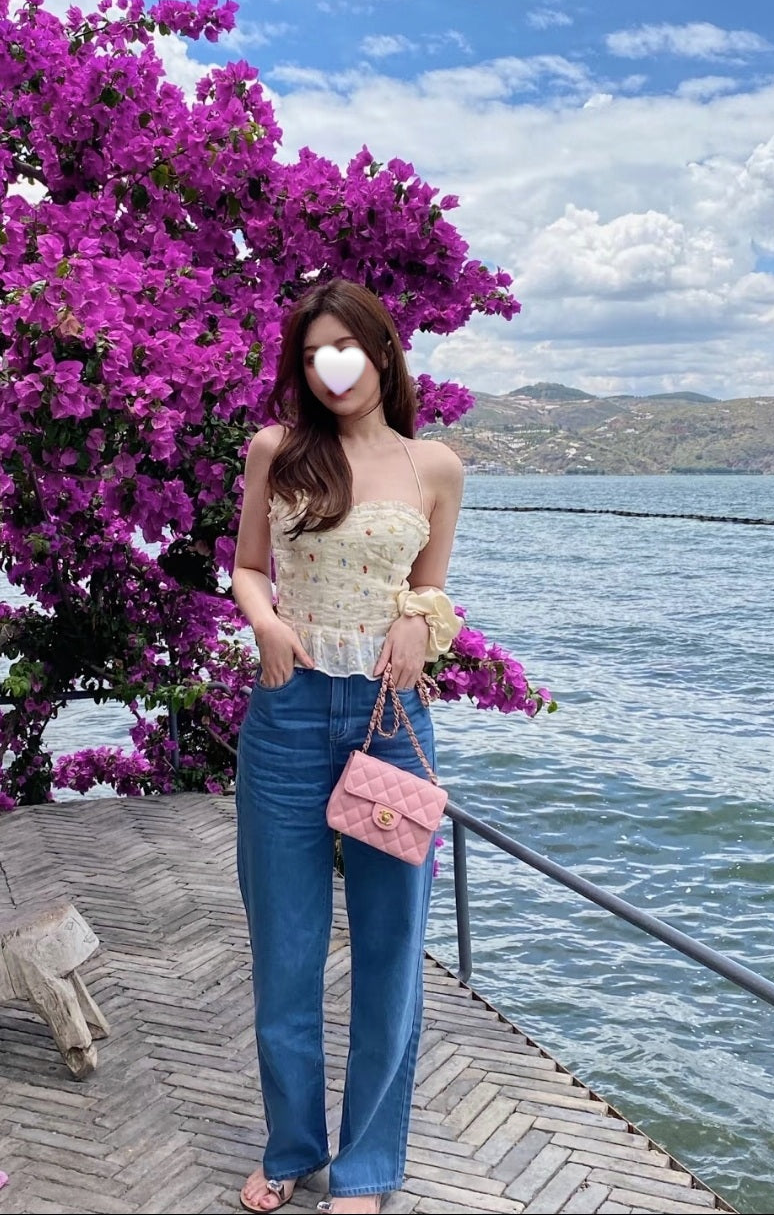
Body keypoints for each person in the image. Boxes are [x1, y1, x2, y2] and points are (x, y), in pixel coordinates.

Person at [230, 278, 464, 1215]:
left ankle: (366, 1169)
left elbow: (432, 590)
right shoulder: (277, 451)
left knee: (390, 949)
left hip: (389, 725)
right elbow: (250, 566)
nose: (333, 369)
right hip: (287, 715)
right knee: (285, 949)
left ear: (382, 351)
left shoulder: (433, 466)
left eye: (348, 348)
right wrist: (265, 624)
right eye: (314, 354)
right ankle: (291, 1146)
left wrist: (419, 622)